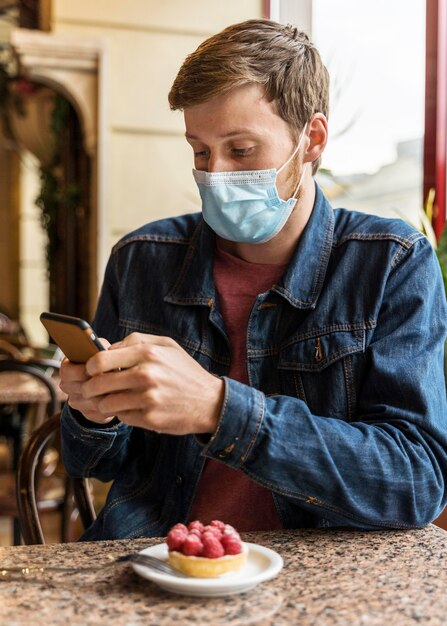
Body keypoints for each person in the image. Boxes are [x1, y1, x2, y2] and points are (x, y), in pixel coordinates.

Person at [60, 19, 447, 540]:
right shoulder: (141, 259)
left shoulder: (391, 264)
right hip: (160, 561)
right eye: (200, 150)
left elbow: (415, 481)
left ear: (311, 139)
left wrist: (219, 408)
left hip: (321, 572)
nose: (215, 174)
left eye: (241, 150)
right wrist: (94, 416)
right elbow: (95, 463)